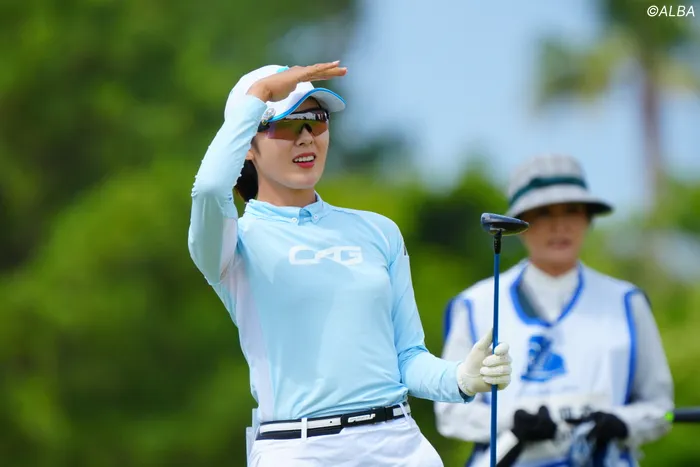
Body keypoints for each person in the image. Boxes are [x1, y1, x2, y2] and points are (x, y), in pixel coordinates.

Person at [187, 61, 514, 467]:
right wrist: (260, 95)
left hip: (401, 444)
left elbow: (407, 357)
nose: (306, 137)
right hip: (297, 450)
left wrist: (460, 378)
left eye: (316, 122)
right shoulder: (232, 241)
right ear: (248, 146)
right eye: (286, 125)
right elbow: (209, 188)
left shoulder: (378, 231)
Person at [434, 154, 674, 467]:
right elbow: (450, 412)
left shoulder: (627, 301)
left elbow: (661, 409)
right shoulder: (473, 304)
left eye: (572, 210)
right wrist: (512, 421)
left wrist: (622, 423)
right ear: (519, 223)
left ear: (588, 219)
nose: (560, 226)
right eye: (543, 213)